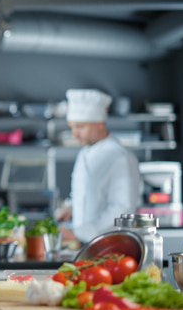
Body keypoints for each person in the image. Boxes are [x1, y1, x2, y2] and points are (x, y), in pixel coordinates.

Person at [56, 89, 142, 244]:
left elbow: (123, 209)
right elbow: (87, 194)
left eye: (80, 127)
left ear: (100, 123)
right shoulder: (84, 153)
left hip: (111, 246)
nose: (74, 134)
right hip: (85, 245)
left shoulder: (121, 157)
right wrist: (72, 208)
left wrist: (78, 233)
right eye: (72, 127)